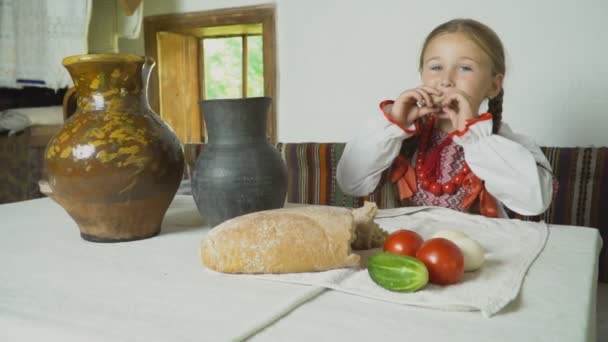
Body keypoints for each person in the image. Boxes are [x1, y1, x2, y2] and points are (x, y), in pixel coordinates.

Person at [336, 18, 554, 218]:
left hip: (479, 253)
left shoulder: (502, 143)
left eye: (465, 68)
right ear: (422, 74)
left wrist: (474, 137)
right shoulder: (400, 137)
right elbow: (350, 182)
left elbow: (535, 202)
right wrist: (394, 122)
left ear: (494, 85)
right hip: (410, 251)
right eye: (436, 67)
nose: (446, 80)